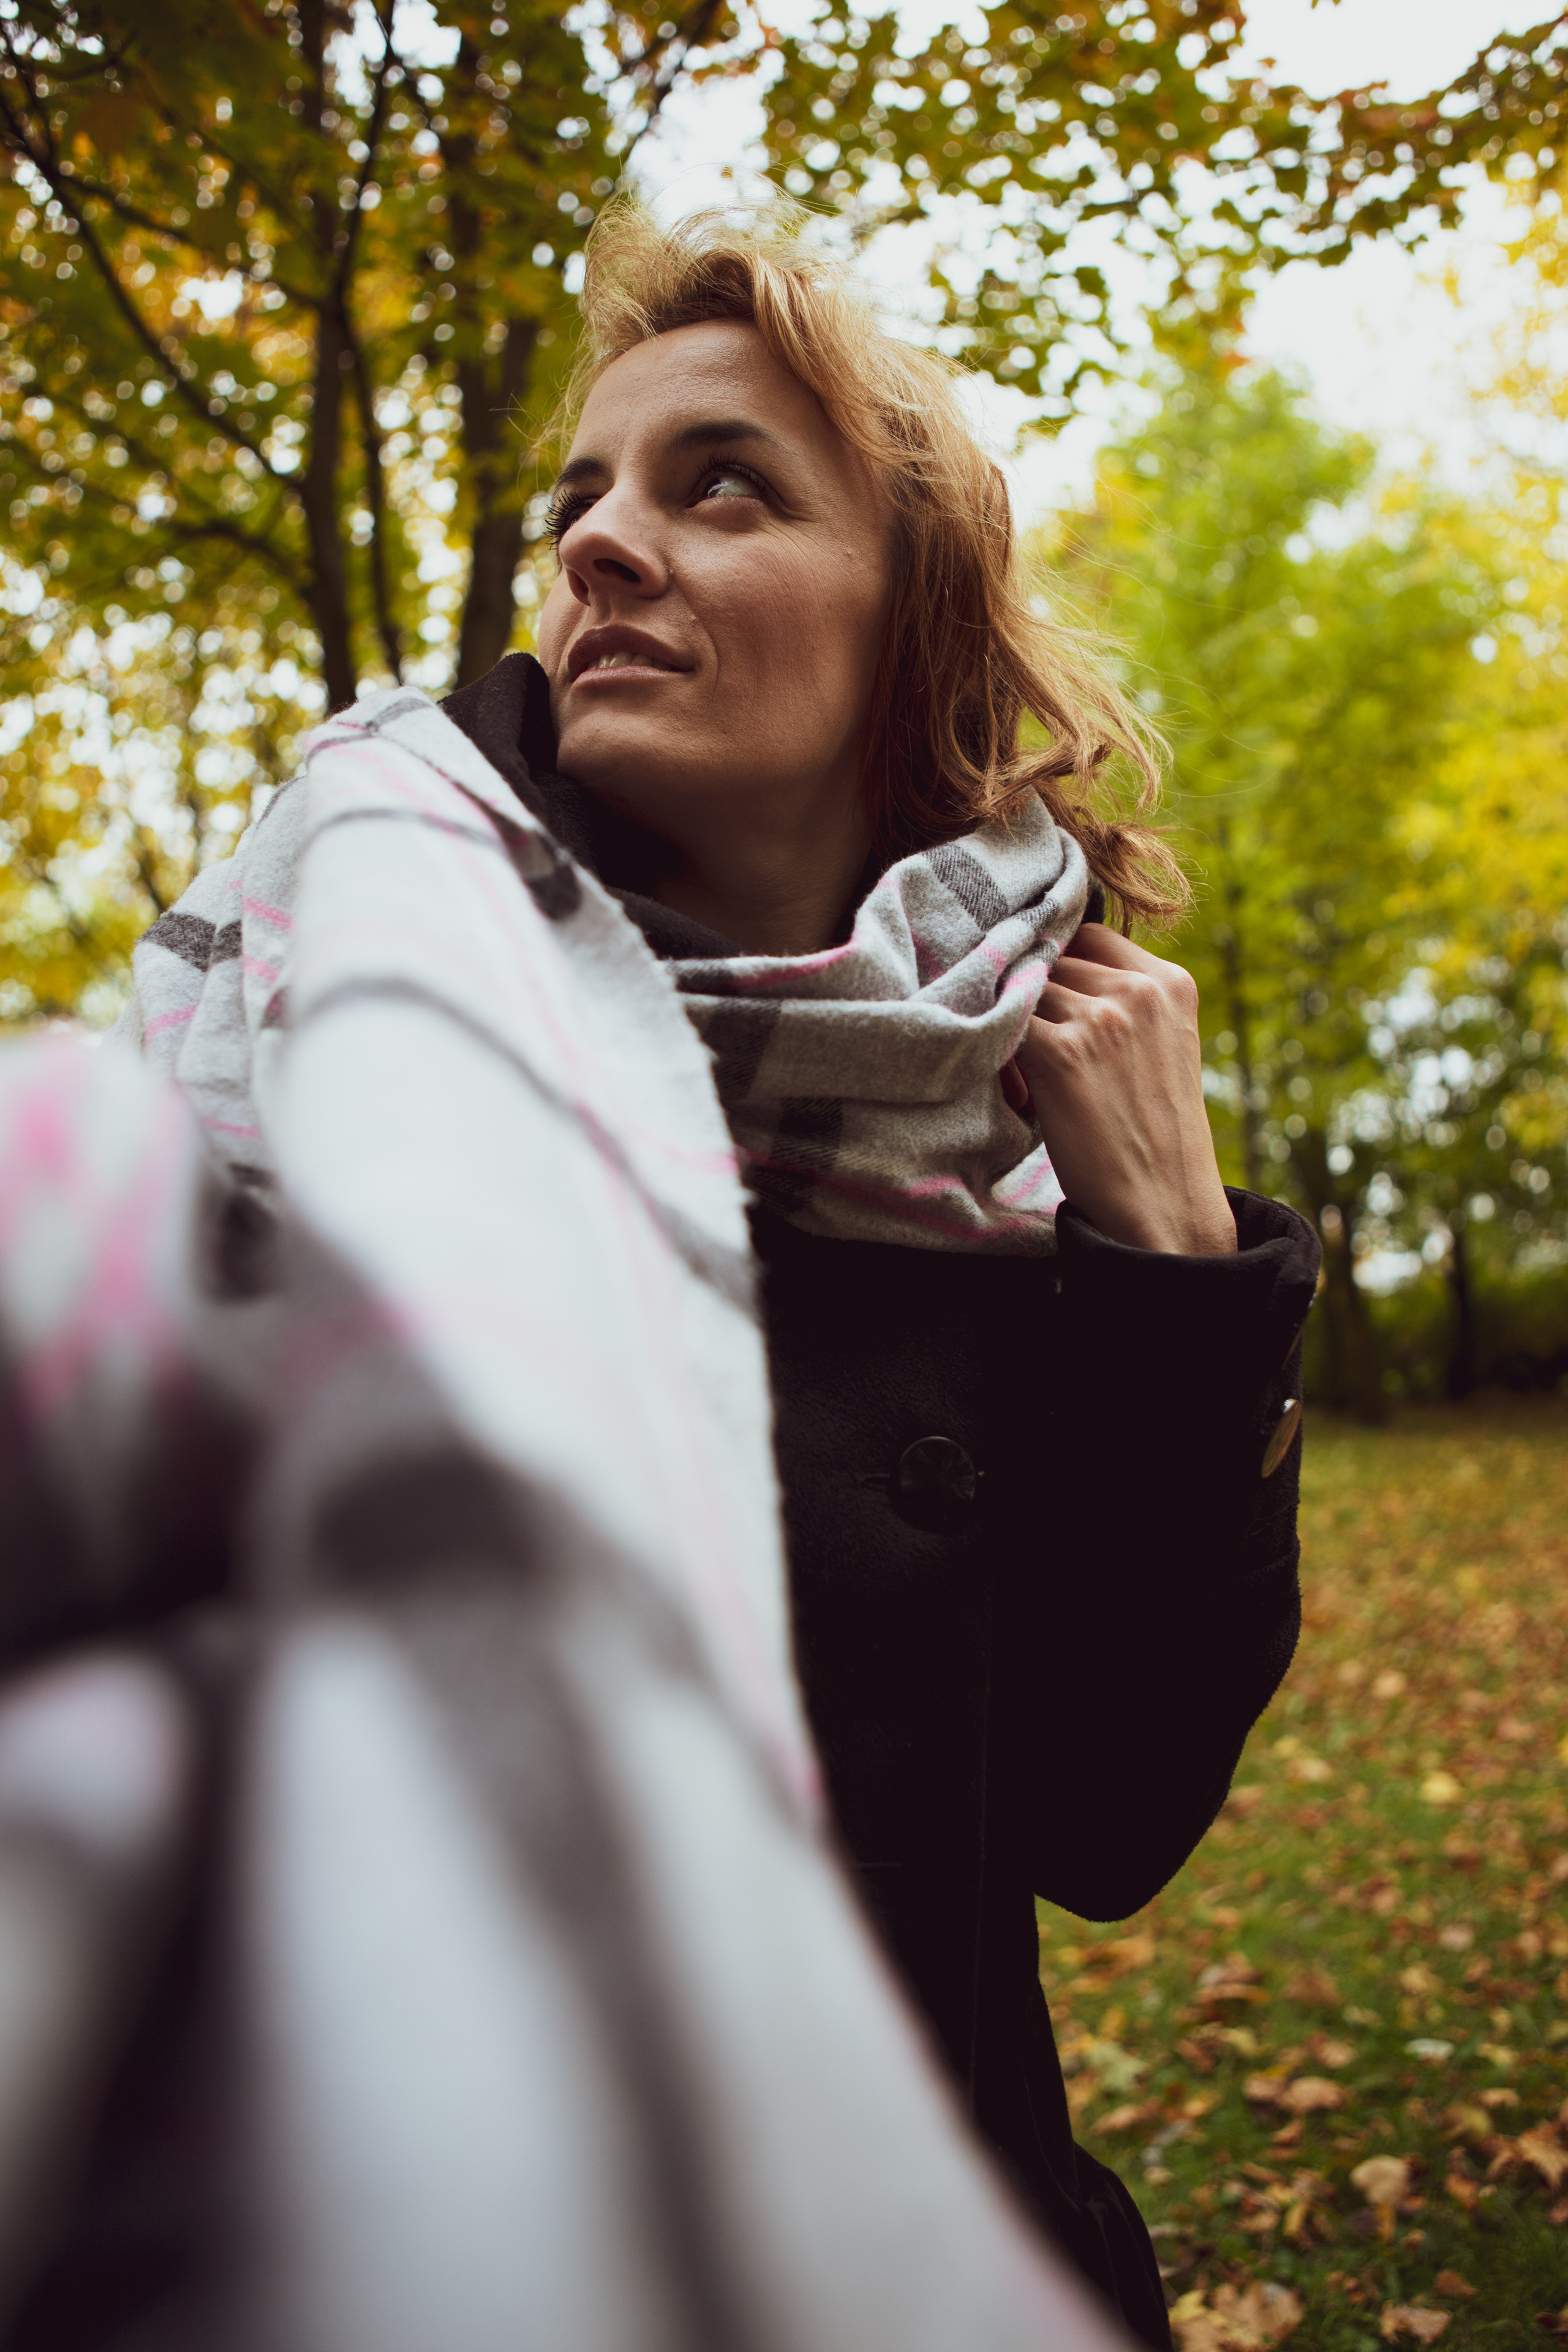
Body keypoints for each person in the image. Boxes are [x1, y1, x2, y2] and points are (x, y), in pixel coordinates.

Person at [431, 206, 1322, 2350]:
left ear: (915, 629)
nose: (601, 553)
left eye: (718, 482)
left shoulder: (1029, 1201)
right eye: (584, 504)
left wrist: (1173, 1277)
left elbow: (1109, 1823)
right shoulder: (353, 1065)